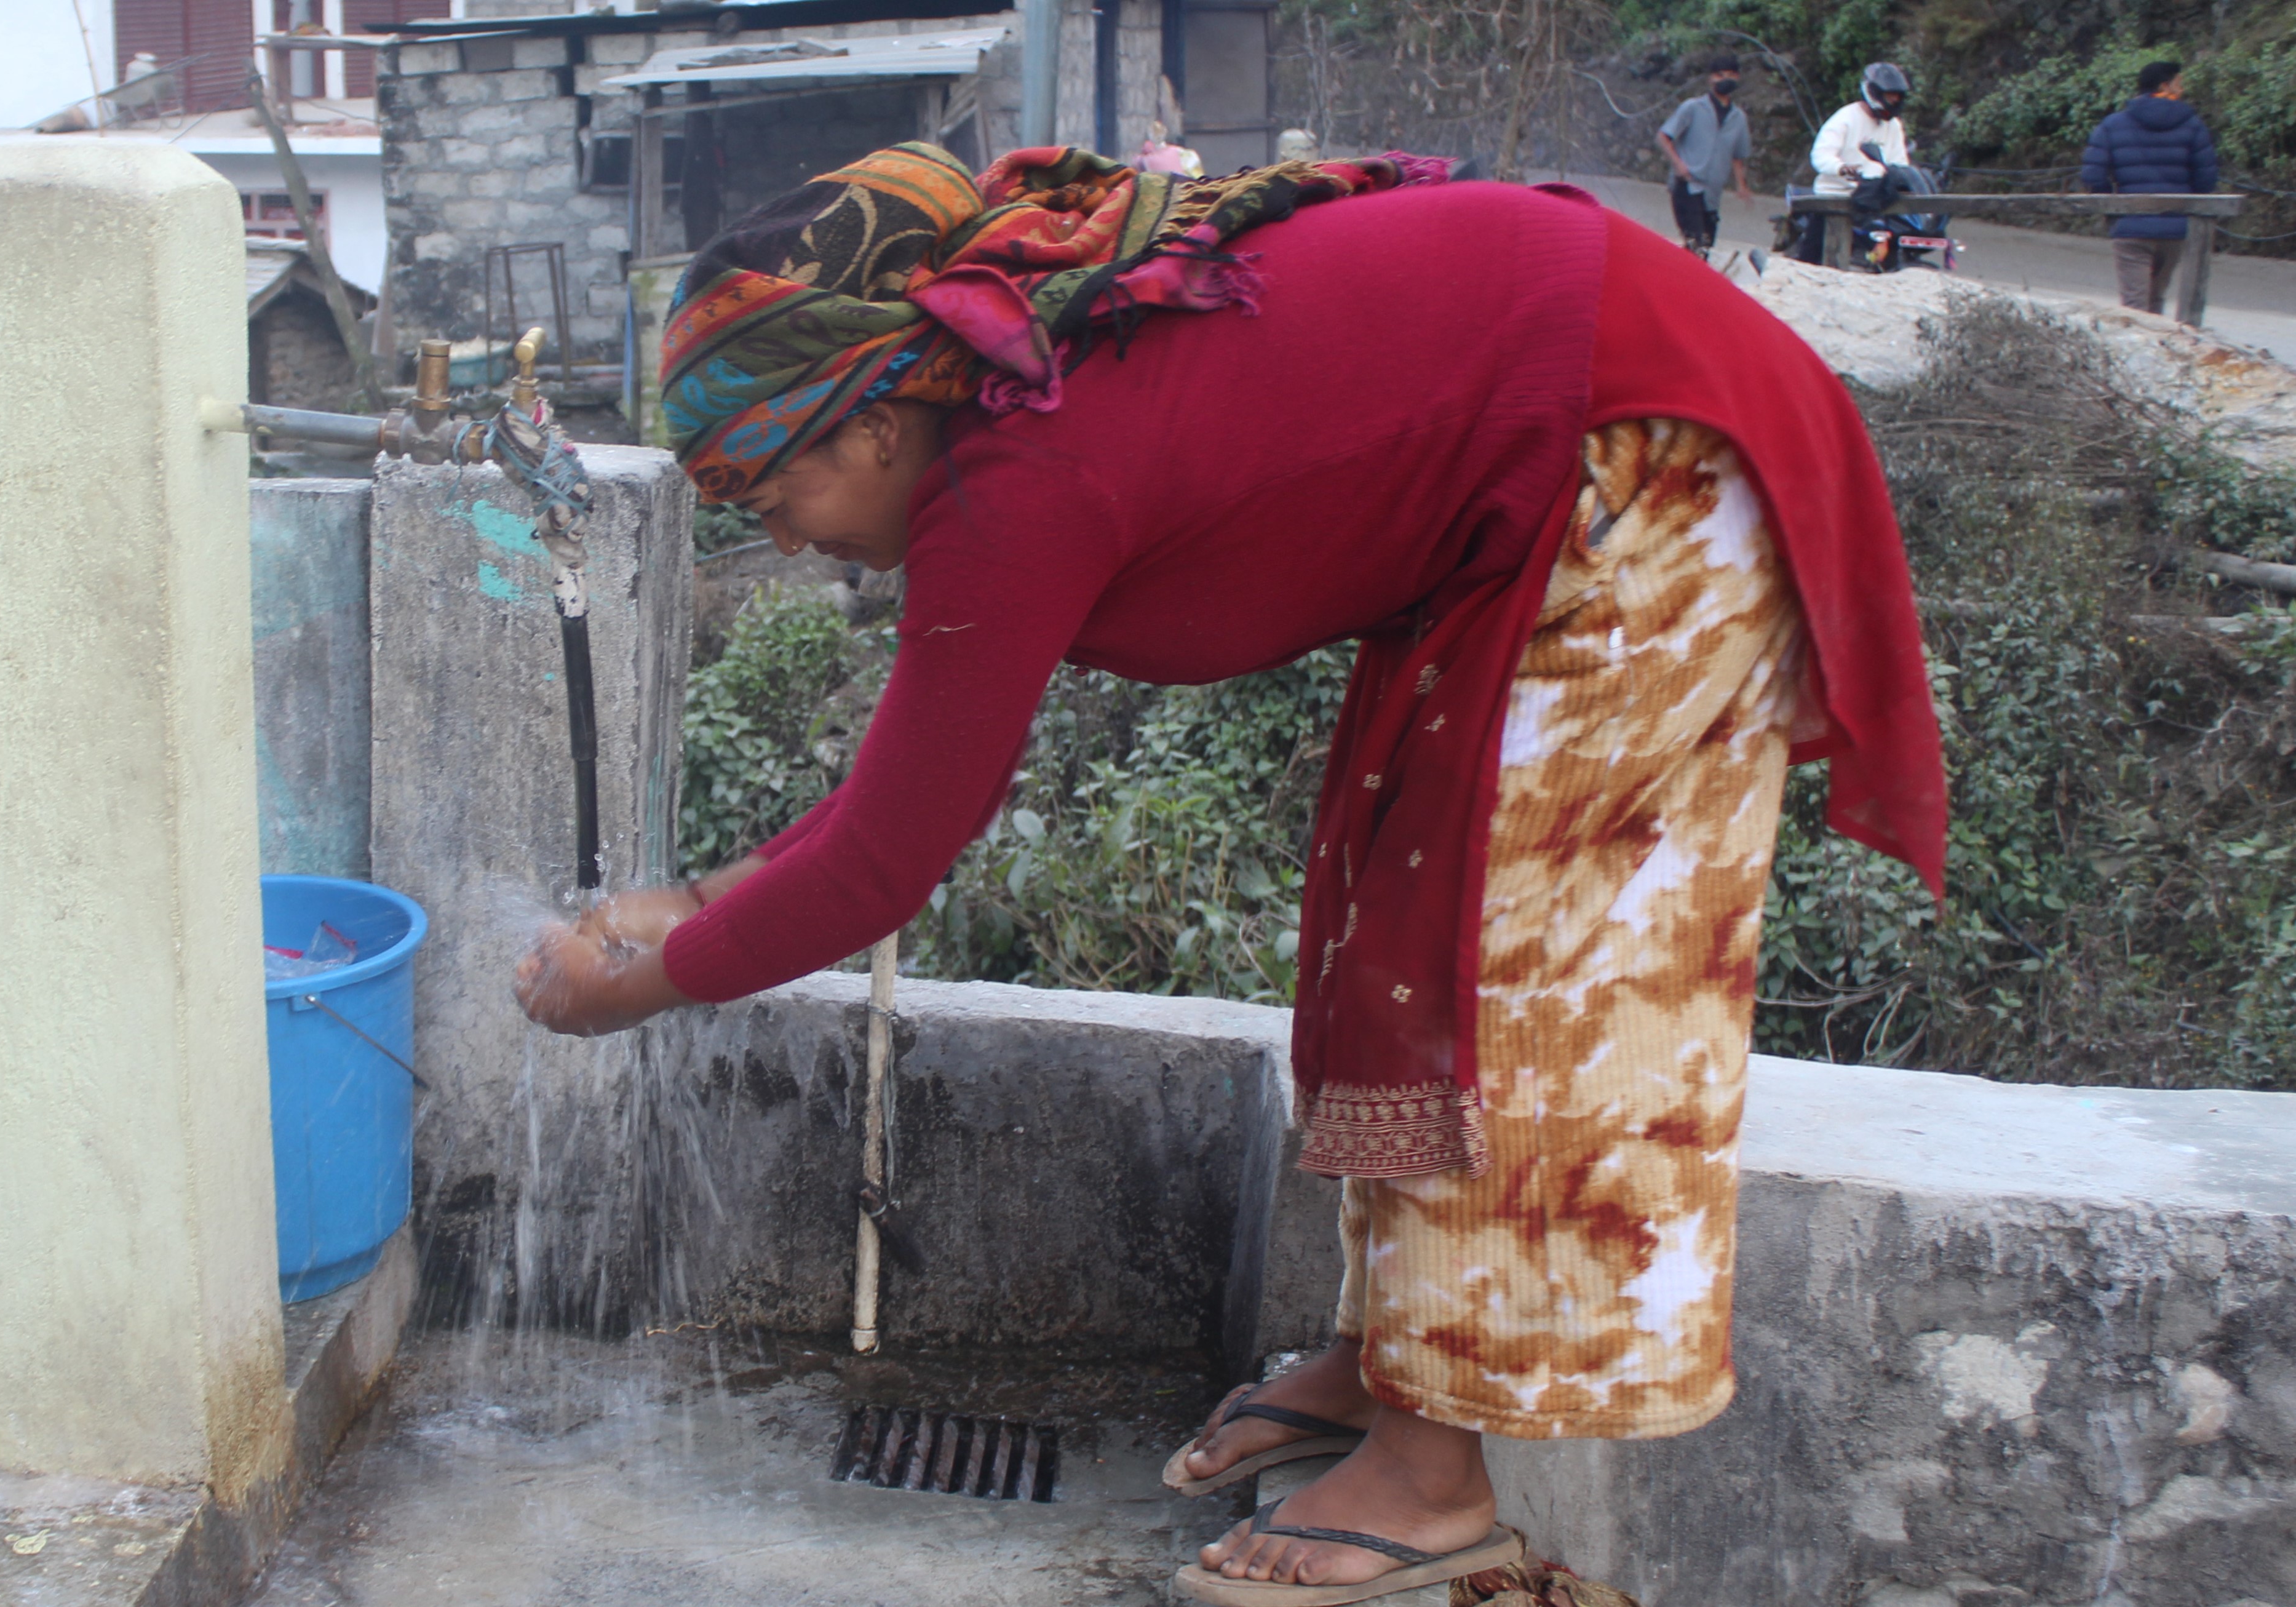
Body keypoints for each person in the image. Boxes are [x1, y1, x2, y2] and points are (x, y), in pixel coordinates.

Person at [517, 143, 1947, 1604]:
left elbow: (888, 859)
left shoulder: (1018, 480)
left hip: (1644, 459)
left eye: (768, 492)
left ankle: (1431, 1475)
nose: (782, 538)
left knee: (1519, 959)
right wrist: (688, 906)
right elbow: (895, 797)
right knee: (1386, 911)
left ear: (873, 422)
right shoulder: (1004, 426)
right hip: (1546, 449)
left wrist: (631, 993)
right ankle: (1391, 1361)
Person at [2083, 60, 2220, 316]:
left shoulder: (2113, 125)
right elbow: (2206, 180)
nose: (2183, 88)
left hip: (2131, 226)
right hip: (2176, 226)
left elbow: (2093, 174)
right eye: (2179, 82)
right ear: (2164, 85)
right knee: (2156, 299)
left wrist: (2114, 210)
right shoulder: (2192, 125)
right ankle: (2158, 348)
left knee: (2134, 304)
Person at [1656, 54, 1752, 255]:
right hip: (1688, 185)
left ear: (1737, 78)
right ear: (1711, 79)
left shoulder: (1739, 118)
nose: (1724, 80)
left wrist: (1741, 185)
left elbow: (1738, 155)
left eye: (1729, 75)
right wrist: (1678, 164)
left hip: (1713, 192)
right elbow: (1664, 136)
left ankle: (1686, 282)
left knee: (1706, 247)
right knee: (1696, 244)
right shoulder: (1692, 107)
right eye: (1719, 75)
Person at [1809, 62, 1911, 197]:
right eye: (1890, 95)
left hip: (1876, 195)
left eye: (1898, 96)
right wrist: (1841, 168)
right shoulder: (1845, 119)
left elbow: (1899, 163)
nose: (1895, 100)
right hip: (1837, 194)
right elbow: (1821, 156)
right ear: (1875, 92)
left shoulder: (1894, 125)